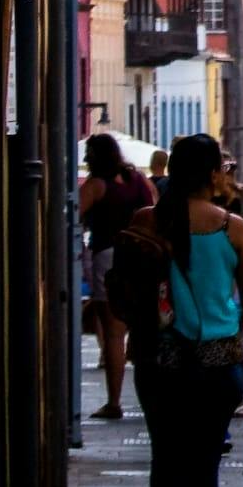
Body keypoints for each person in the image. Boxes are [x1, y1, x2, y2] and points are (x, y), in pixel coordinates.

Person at [133, 134, 243, 487]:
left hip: (160, 359)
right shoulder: (232, 228)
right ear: (211, 174)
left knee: (165, 456)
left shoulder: (146, 221)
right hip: (217, 361)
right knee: (204, 465)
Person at [76, 129, 150, 419]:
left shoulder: (97, 185)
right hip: (143, 256)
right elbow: (154, 208)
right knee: (145, 330)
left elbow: (71, 214)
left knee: (114, 335)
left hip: (109, 256)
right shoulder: (139, 181)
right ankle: (149, 400)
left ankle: (115, 401)